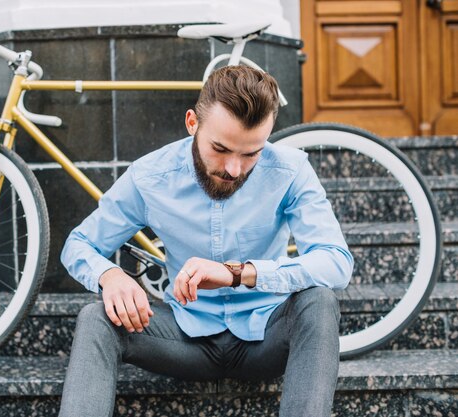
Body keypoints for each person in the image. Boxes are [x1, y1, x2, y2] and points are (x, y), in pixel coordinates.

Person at [59, 65, 353, 417]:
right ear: (192, 123)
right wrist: (110, 276)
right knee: (96, 317)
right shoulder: (151, 177)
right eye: (221, 148)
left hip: (267, 336)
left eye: (251, 154)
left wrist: (238, 273)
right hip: (183, 338)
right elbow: (78, 244)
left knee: (318, 301)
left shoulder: (290, 171)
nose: (234, 169)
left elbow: (336, 261)